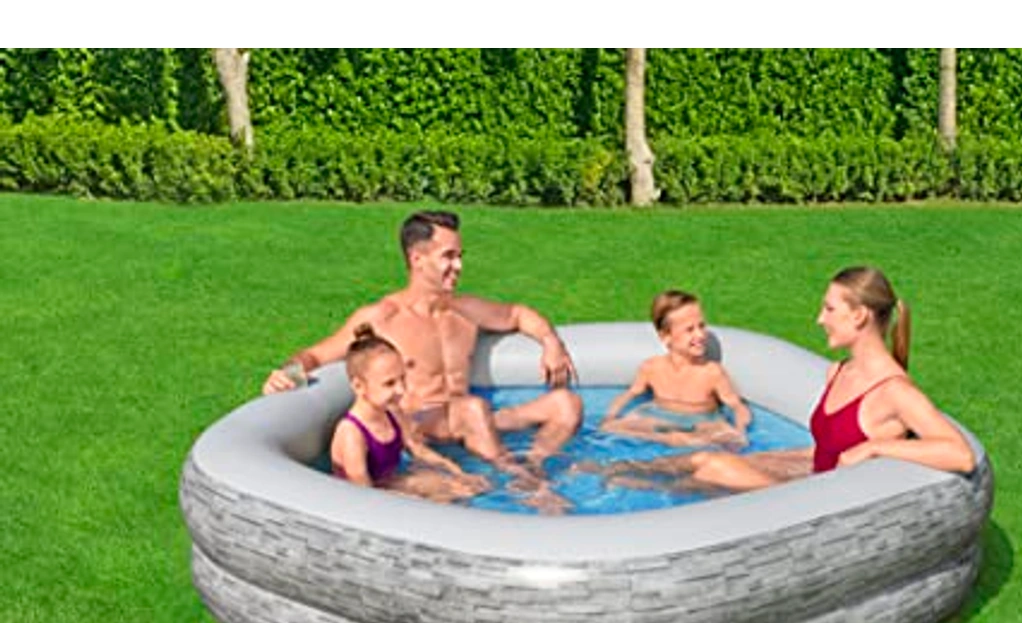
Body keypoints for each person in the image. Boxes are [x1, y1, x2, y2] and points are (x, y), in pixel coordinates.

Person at [600, 266, 975, 493]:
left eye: (829, 309)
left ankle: (621, 500)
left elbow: (960, 454)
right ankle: (606, 474)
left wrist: (876, 448)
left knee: (714, 467)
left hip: (822, 507)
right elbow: (826, 452)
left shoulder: (893, 391)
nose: (820, 319)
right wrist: (768, 459)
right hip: (808, 481)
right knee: (703, 458)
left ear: (859, 316)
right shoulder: (839, 372)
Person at [263, 210, 583, 470]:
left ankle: (535, 464)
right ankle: (518, 482)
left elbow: (518, 314)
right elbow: (316, 356)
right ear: (417, 259)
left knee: (565, 404)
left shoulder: (465, 310)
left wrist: (550, 342)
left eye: (460, 256)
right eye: (449, 257)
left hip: (473, 422)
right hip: (420, 426)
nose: (459, 266)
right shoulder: (383, 318)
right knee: (472, 409)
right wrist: (286, 375)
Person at [330, 324, 489, 504]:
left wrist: (458, 472)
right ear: (359, 386)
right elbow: (362, 492)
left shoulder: (391, 413)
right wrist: (413, 500)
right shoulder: (352, 433)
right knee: (447, 498)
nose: (401, 390)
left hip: (388, 484)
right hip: (363, 500)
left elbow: (417, 449)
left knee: (466, 488)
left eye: (402, 379)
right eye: (389, 383)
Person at [600, 289, 751, 448]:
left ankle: (674, 439)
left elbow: (736, 405)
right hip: (659, 418)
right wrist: (609, 417)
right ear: (666, 336)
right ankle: (670, 439)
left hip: (702, 423)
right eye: (690, 329)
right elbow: (630, 394)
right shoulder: (651, 368)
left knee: (731, 438)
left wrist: (740, 429)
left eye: (701, 326)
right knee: (609, 428)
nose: (700, 335)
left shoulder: (711, 372)